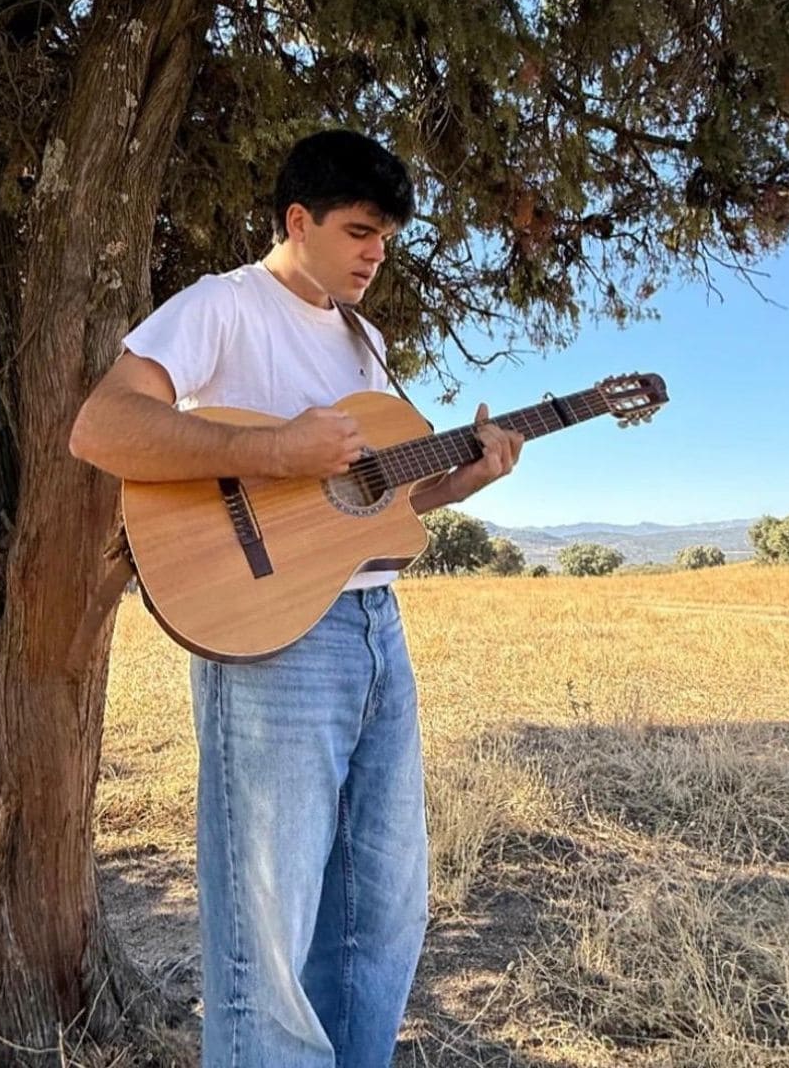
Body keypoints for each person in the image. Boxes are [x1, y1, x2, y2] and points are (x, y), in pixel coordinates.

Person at [69, 129, 524, 1067]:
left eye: (387, 239)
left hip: (371, 626)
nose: (375, 254)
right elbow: (102, 425)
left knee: (383, 907)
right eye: (359, 230)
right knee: (265, 935)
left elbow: (371, 502)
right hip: (273, 642)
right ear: (297, 220)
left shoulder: (366, 339)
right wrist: (265, 451)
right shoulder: (221, 307)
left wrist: (461, 479)